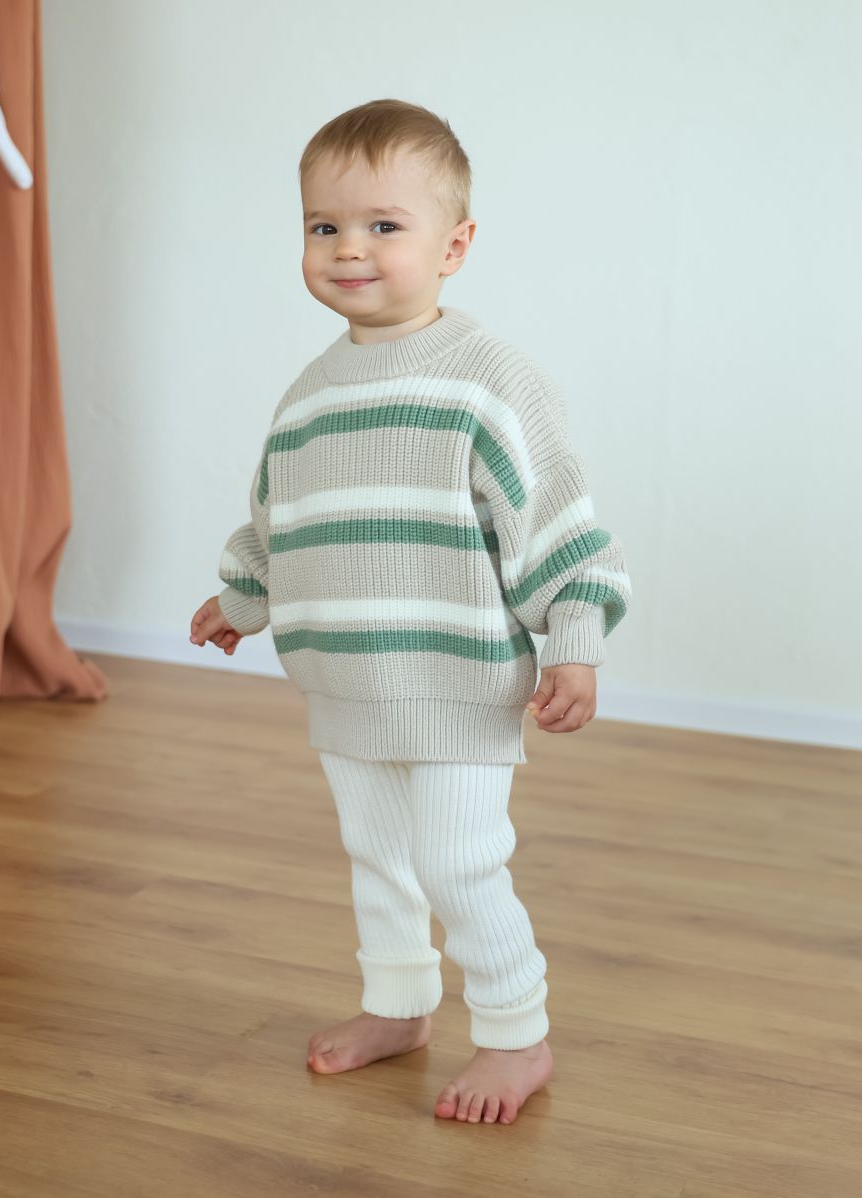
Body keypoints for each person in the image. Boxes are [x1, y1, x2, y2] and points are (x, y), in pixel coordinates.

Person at [189, 98, 632, 1125]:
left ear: (454, 246)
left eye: (383, 225)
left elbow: (558, 520)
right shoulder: (309, 395)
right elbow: (281, 518)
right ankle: (397, 1004)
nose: (349, 247)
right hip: (344, 680)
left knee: (458, 861)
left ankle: (517, 1034)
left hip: (455, 677)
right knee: (379, 856)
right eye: (325, 226)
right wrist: (242, 597)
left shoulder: (488, 381)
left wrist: (575, 639)